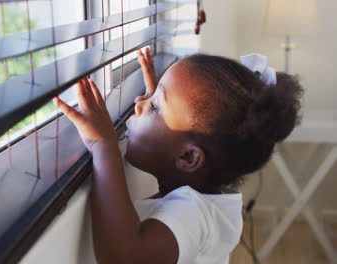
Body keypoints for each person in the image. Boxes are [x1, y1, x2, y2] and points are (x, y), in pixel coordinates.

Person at [53, 48, 303, 264]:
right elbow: (174, 132)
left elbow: (125, 257)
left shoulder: (197, 215)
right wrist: (158, 106)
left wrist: (103, 145)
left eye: (154, 107)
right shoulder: (204, 199)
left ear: (187, 158)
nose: (139, 101)